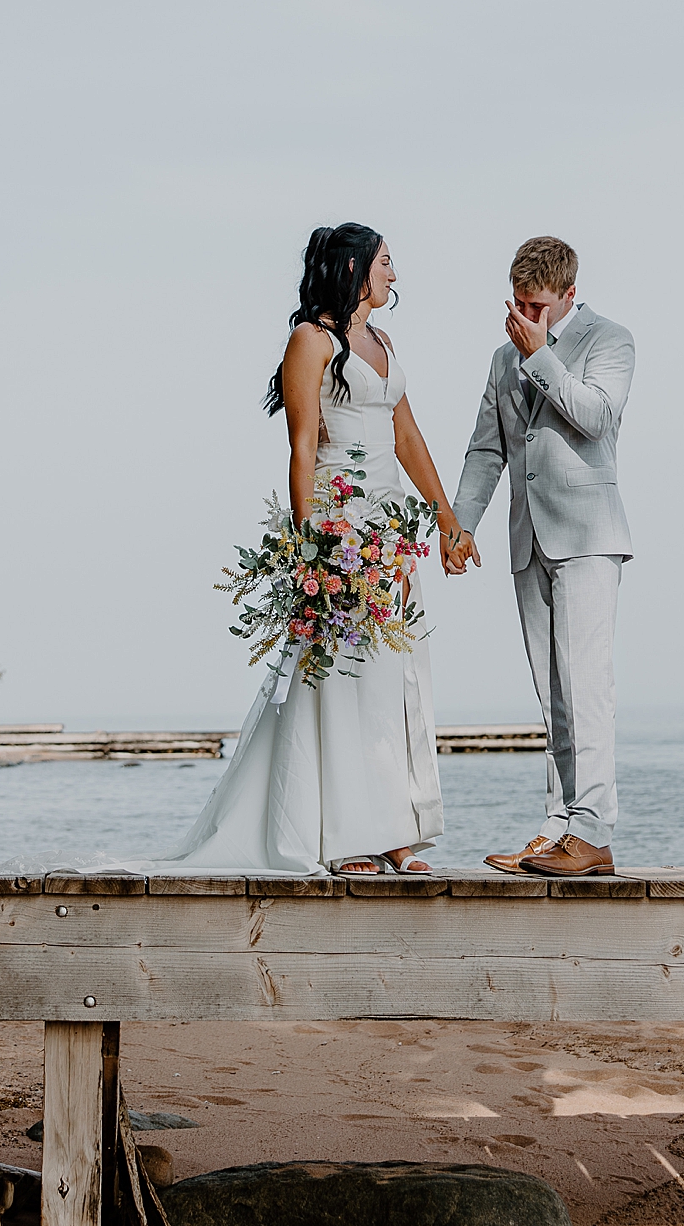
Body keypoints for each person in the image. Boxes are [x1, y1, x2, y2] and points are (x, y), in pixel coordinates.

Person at [171, 223, 473, 876]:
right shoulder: (311, 341)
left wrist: (448, 524)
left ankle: (395, 828)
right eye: (387, 263)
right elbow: (302, 446)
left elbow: (409, 436)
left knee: (393, 676)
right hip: (338, 524)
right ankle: (344, 836)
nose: (396, 275)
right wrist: (314, 544)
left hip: (390, 532)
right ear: (356, 268)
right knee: (340, 679)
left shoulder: (384, 341)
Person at [450, 235, 635, 879]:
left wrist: (541, 359)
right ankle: (559, 830)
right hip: (528, 539)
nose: (528, 318)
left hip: (587, 537)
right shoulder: (504, 359)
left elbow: (596, 418)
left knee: (589, 685)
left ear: (569, 295)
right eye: (520, 305)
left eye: (540, 306)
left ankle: (594, 831)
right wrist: (460, 524)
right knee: (553, 690)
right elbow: (486, 450)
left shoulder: (610, 341)